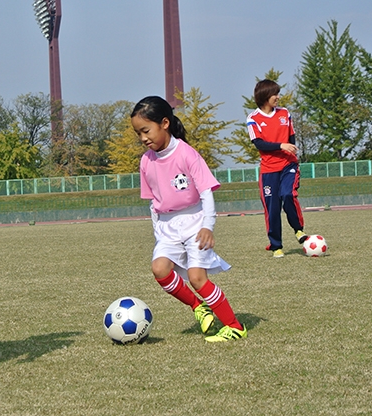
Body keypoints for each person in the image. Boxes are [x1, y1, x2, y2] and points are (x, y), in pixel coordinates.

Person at [131, 96, 247, 343]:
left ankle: (234, 326)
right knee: (159, 269)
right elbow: (153, 203)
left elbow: (206, 191)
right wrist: (158, 233)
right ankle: (198, 307)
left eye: (146, 130)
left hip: (195, 222)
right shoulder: (146, 162)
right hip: (167, 226)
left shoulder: (187, 154)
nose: (143, 138)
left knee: (197, 278)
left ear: (164, 123)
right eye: (138, 133)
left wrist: (208, 226)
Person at [247, 79, 308, 258]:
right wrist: (281, 146)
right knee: (272, 207)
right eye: (275, 94)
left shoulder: (285, 113)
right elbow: (258, 143)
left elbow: (292, 136)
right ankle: (276, 246)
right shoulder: (253, 118)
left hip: (288, 165)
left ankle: (298, 230)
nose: (278, 97)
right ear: (265, 96)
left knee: (288, 194)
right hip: (268, 170)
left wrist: (292, 152)